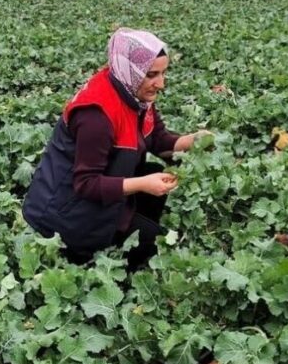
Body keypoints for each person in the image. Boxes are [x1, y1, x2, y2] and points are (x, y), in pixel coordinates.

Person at [22, 28, 210, 266]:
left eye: (163, 73)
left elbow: (158, 139)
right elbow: (86, 184)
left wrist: (194, 140)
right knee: (154, 245)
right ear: (132, 70)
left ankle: (124, 234)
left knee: (150, 174)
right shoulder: (96, 115)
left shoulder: (135, 93)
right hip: (65, 214)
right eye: (152, 74)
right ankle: (93, 255)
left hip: (93, 196)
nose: (160, 83)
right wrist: (143, 184)